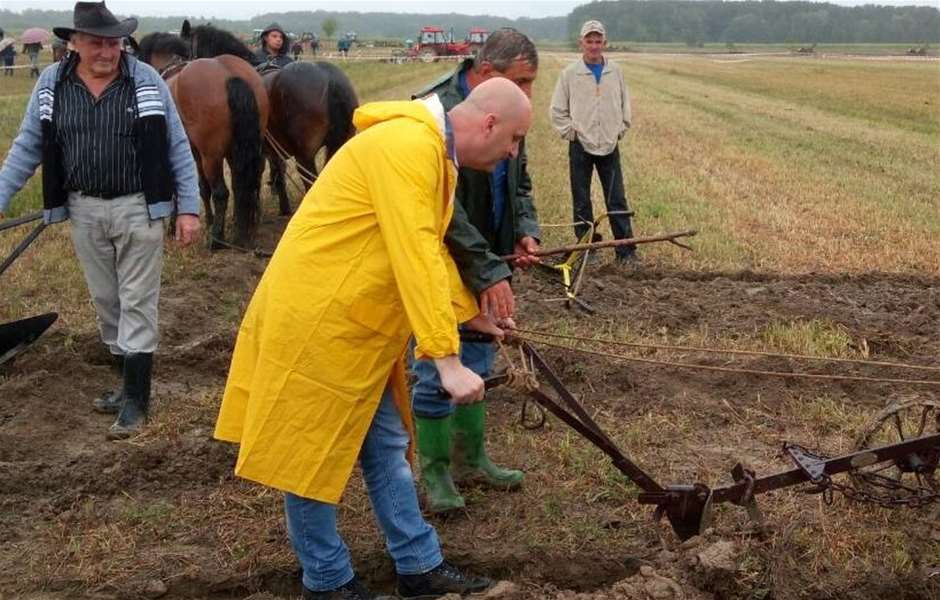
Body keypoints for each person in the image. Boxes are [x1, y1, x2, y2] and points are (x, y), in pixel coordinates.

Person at [214, 78, 532, 600]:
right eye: (516, 138)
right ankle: (329, 582)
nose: (513, 152)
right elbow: (414, 252)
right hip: (318, 324)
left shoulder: (430, 153)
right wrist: (446, 358)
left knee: (386, 445)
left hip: (356, 327)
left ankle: (419, 567)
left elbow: (422, 244)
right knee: (309, 459)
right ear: (490, 123)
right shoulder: (408, 147)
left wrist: (467, 313)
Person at [0, 1, 201, 439]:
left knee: (136, 299)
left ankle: (137, 400)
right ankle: (124, 382)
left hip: (138, 207)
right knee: (106, 299)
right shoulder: (52, 84)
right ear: (73, 44)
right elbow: (26, 147)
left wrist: (188, 208)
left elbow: (177, 147)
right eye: (96, 43)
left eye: (113, 42)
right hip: (83, 208)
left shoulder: (145, 81)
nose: (107, 52)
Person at [409, 27, 541, 513]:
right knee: (436, 363)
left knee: (480, 357)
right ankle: (437, 470)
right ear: (487, 74)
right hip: (448, 257)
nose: (526, 94)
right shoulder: (435, 117)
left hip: (490, 257)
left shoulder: (509, 114)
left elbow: (519, 182)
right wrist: (485, 266)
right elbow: (444, 209)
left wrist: (525, 231)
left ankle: (471, 459)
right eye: (521, 81)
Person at [550, 19, 638, 263]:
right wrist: (572, 133)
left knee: (617, 199)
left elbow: (625, 104)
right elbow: (557, 110)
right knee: (581, 200)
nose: (594, 45)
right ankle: (587, 251)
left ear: (604, 43)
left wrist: (620, 128)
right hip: (580, 146)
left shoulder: (615, 71)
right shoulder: (569, 74)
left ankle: (626, 252)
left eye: (598, 41)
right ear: (582, 42)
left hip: (610, 144)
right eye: (589, 40)